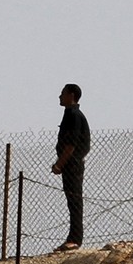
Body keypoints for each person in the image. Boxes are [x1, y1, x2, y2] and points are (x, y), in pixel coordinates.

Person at [52, 84, 90, 252]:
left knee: (75, 201)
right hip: (70, 164)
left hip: (72, 164)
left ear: (71, 95)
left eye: (63, 93)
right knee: (72, 201)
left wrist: (60, 163)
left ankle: (75, 239)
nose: (60, 96)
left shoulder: (74, 115)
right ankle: (73, 237)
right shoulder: (69, 114)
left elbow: (71, 144)